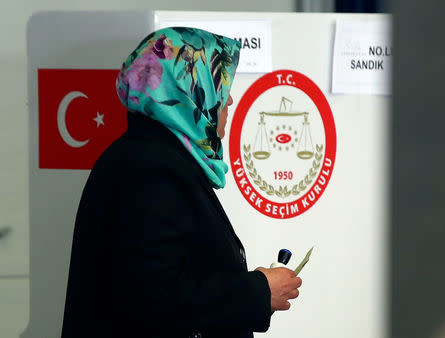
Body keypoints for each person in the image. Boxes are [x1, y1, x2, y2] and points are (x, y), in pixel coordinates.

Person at [61, 27, 302, 338]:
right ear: (189, 91)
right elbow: (153, 300)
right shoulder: (151, 174)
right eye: (217, 82)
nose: (229, 99)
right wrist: (257, 292)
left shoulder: (149, 158)